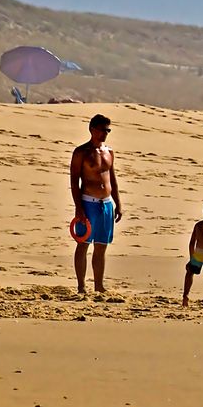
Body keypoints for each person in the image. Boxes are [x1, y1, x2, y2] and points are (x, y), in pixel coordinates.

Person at [69, 114, 123, 293]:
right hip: (88, 203)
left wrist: (118, 203)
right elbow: (74, 182)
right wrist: (79, 208)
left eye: (108, 130)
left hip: (106, 204)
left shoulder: (109, 152)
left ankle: (99, 286)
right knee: (83, 244)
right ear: (92, 129)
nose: (105, 134)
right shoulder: (81, 152)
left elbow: (112, 180)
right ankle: (81, 286)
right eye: (102, 130)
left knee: (101, 246)